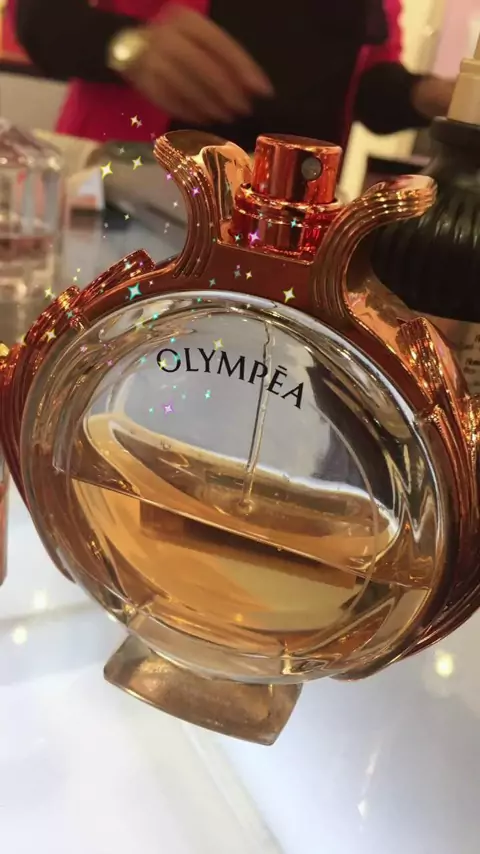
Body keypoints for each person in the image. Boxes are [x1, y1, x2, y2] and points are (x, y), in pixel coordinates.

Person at [11, 0, 454, 150]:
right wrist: (129, 46)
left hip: (285, 229)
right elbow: (36, 16)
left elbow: (368, 87)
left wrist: (427, 94)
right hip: (130, 201)